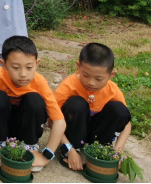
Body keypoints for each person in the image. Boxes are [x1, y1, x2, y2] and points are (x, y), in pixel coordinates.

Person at [0, 36, 66, 173]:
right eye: (15, 67)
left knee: (35, 99)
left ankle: (30, 145)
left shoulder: (40, 82)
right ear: (3, 64)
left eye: (29, 67)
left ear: (36, 64)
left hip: (25, 127)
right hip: (3, 125)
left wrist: (46, 157)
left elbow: (59, 122)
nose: (23, 74)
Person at [55, 43, 132, 171]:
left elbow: (126, 123)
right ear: (78, 66)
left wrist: (117, 151)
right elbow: (53, 120)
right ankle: (73, 146)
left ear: (111, 75)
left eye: (98, 79)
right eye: (85, 75)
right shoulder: (68, 86)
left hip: (97, 132)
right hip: (74, 130)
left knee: (119, 109)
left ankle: (101, 148)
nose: (91, 82)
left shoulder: (113, 90)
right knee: (76, 103)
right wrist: (69, 148)